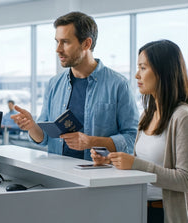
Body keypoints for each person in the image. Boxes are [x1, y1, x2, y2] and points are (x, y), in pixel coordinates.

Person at [91, 40, 188, 223]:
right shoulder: (147, 115)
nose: (136, 75)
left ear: (163, 72)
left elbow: (186, 180)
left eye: (143, 68)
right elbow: (141, 166)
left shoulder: (183, 117)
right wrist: (110, 162)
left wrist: (135, 164)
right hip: (140, 210)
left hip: (167, 214)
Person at [11, 11, 138, 160]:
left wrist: (91, 142)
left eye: (65, 42)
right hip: (58, 174)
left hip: (98, 176)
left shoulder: (118, 84)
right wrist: (32, 126)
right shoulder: (54, 84)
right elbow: (43, 138)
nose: (58, 49)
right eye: (57, 41)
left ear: (86, 43)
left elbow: (132, 138)